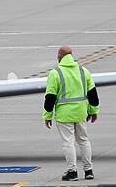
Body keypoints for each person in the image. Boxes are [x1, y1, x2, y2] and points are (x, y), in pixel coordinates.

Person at [43, 46, 99, 181]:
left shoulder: (55, 73)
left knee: (68, 143)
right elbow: (93, 95)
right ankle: (88, 170)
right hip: (81, 113)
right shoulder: (83, 71)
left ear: (60, 56)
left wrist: (47, 115)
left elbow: (50, 97)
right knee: (84, 140)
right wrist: (93, 111)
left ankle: (72, 172)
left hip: (64, 115)